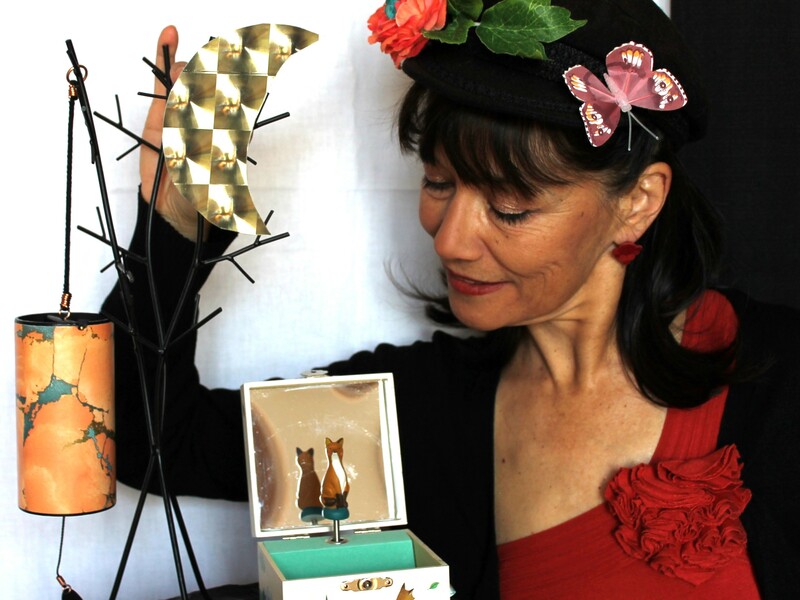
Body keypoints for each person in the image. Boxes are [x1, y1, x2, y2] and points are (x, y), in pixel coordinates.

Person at [105, 1, 799, 598]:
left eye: (509, 207)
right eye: (438, 183)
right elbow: (148, 442)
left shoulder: (781, 378)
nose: (451, 240)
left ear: (638, 203)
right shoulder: (413, 417)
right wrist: (176, 226)